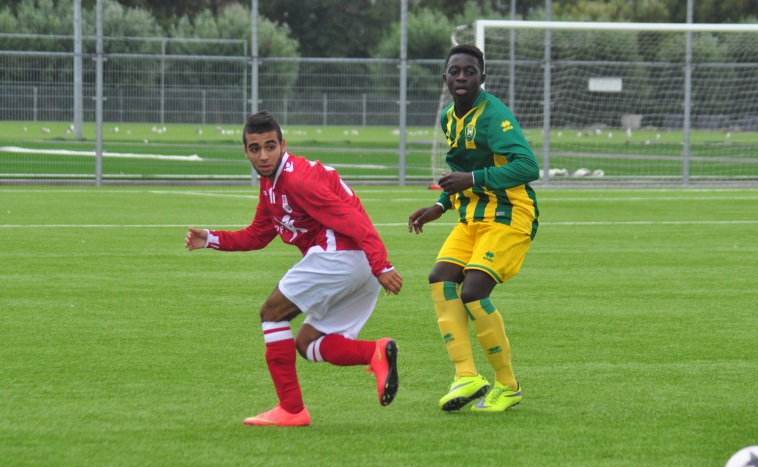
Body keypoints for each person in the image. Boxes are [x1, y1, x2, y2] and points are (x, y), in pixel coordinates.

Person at [186, 110, 403, 427]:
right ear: (245, 151)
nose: (263, 155)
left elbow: (350, 218)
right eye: (256, 148)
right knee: (308, 344)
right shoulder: (271, 184)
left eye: (270, 146)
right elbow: (258, 234)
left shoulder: (297, 179)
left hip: (342, 254)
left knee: (272, 313)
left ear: (283, 144)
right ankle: (376, 352)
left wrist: (382, 264)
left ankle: (291, 409)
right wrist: (210, 240)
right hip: (356, 262)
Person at [408, 44, 539, 413]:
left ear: (483, 77)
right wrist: (438, 206)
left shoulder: (494, 116)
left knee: (473, 291)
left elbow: (529, 167)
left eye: (469, 71)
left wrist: (473, 177)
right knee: (440, 278)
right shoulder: (449, 118)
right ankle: (466, 376)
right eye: (455, 71)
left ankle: (508, 385)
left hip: (509, 216)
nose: (461, 77)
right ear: (445, 78)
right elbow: (458, 178)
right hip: (472, 218)